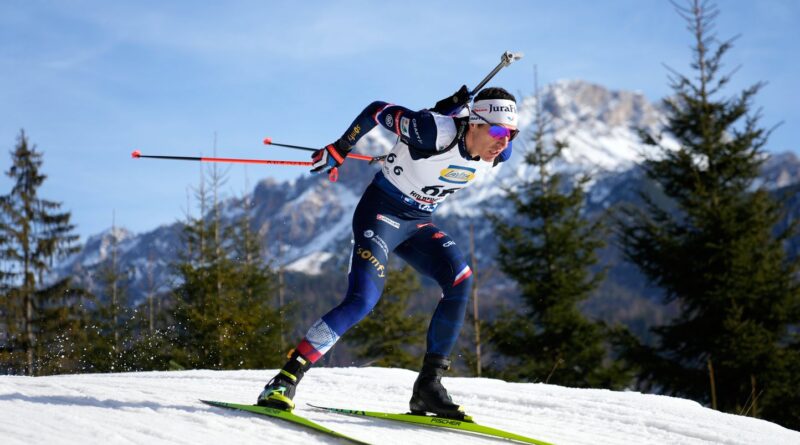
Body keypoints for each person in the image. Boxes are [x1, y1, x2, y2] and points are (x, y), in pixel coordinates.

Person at [257, 86, 518, 419]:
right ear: (475, 123)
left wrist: (444, 112)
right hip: (380, 213)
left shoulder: (499, 153)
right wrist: (341, 147)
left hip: (417, 222)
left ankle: (428, 388)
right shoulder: (433, 131)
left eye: (512, 133)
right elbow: (377, 109)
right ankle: (284, 380)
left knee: (461, 280)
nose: (504, 141)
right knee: (363, 300)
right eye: (497, 130)